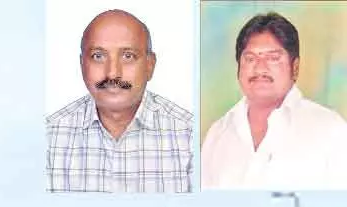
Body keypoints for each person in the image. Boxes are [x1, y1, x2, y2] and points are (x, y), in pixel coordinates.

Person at [46, 9, 193, 193]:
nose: (113, 73)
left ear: (150, 65)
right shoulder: (49, 138)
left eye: (128, 56)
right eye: (98, 56)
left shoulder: (189, 137)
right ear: (82, 64)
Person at [201, 12, 347, 189]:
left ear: (295, 67)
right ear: (239, 68)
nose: (260, 67)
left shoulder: (331, 130)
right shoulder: (218, 133)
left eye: (273, 58)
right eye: (250, 58)